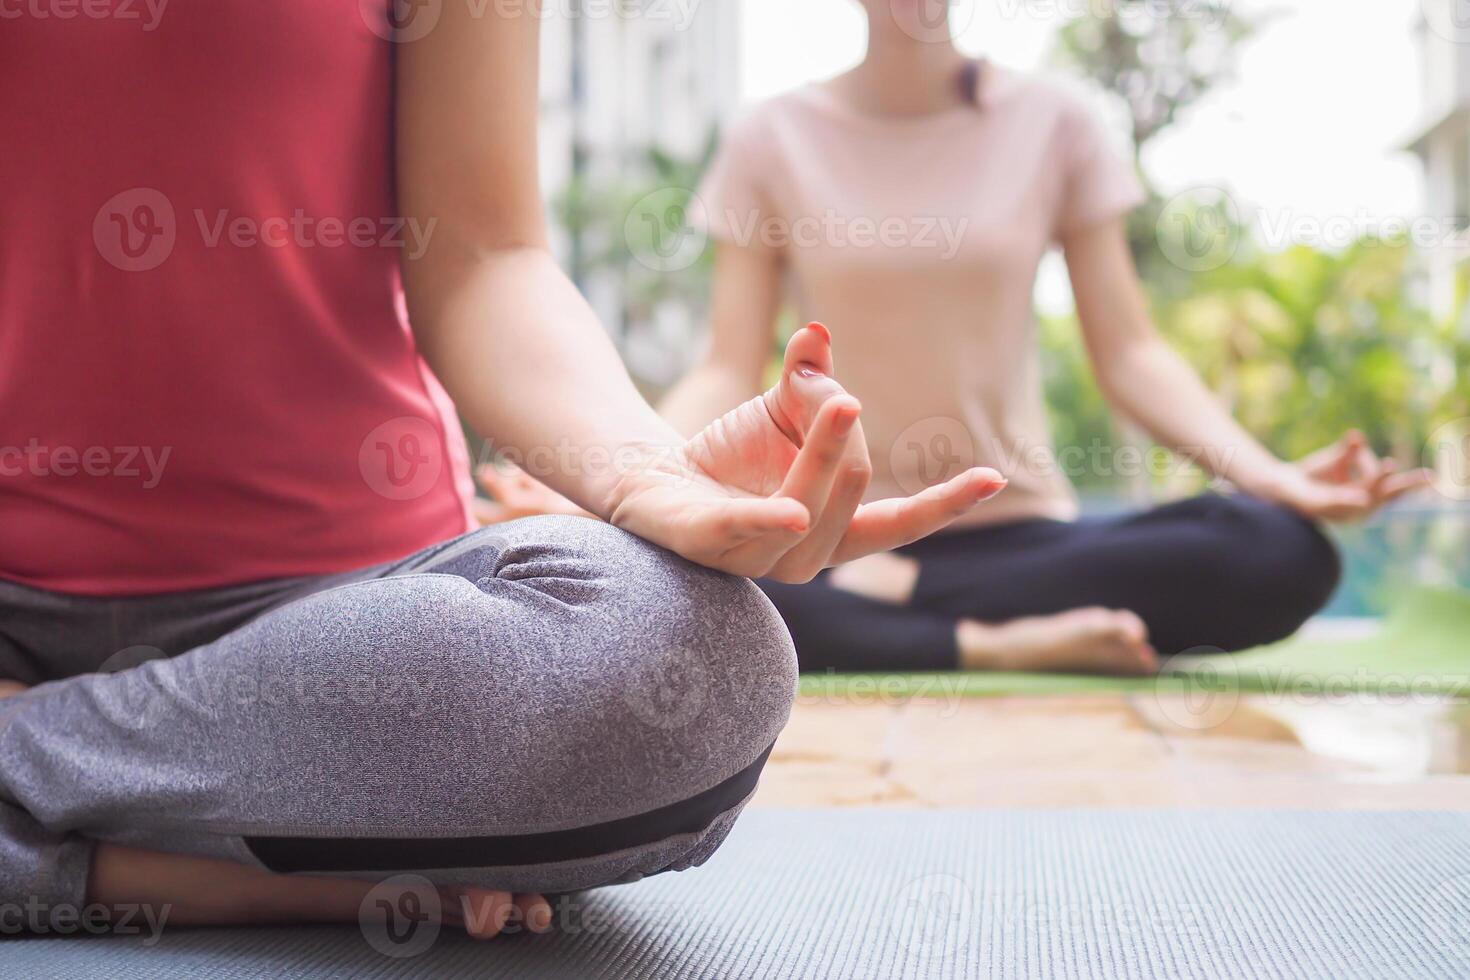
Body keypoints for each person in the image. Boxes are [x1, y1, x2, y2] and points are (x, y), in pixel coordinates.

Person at [0, 4, 1005, 937]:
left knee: (700, 658)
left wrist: (641, 474)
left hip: (340, 637)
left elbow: (485, 254)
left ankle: (43, 797)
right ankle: (230, 869)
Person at [483, 0, 1430, 678]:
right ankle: (1001, 645)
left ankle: (916, 623)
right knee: (675, 584)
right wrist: (620, 484)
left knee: (1280, 550)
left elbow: (1131, 351)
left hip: (1026, 542)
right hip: (835, 547)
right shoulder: (770, 137)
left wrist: (1273, 477)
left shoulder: (1057, 123)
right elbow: (727, 363)